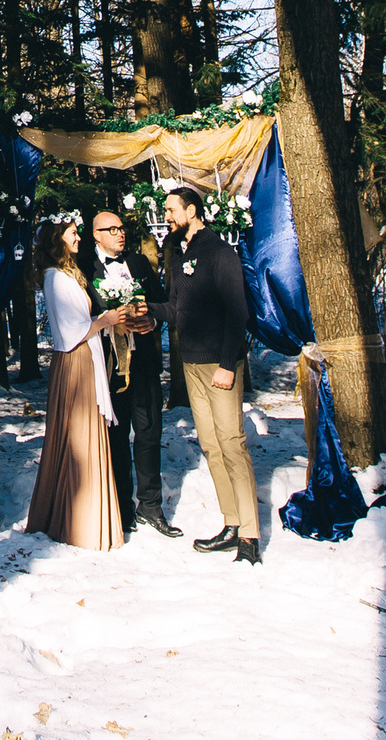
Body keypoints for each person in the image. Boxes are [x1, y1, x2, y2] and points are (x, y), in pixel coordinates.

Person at [150, 184, 262, 565]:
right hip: (192, 366)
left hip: (219, 365)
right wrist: (144, 311)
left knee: (232, 443)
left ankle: (250, 536)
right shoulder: (181, 254)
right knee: (212, 446)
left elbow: (238, 313)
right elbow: (177, 310)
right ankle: (231, 523)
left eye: (170, 209)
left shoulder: (219, 252)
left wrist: (229, 365)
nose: (166, 216)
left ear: (192, 210)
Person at [24, 217, 144, 550]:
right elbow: (69, 333)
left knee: (87, 436)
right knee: (80, 439)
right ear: (57, 241)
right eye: (73, 234)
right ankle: (81, 523)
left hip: (86, 361)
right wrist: (105, 320)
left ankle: (87, 519)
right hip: (76, 365)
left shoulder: (68, 274)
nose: (78, 239)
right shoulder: (55, 278)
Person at [79, 205, 179, 538]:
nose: (120, 233)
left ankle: (150, 506)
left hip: (145, 363)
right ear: (96, 234)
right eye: (112, 229)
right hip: (109, 367)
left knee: (149, 434)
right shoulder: (83, 267)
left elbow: (161, 302)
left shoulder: (137, 262)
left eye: (122, 228)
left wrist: (151, 320)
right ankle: (121, 509)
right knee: (117, 438)